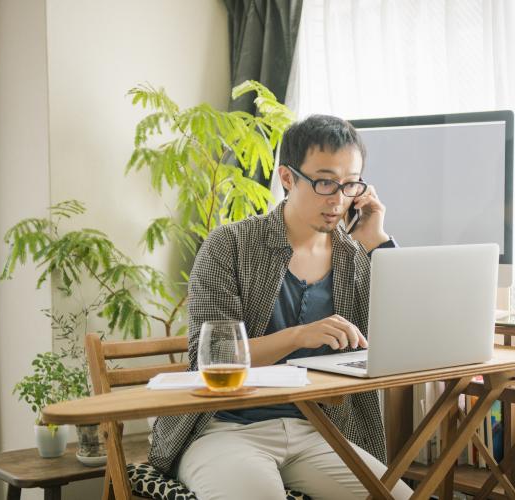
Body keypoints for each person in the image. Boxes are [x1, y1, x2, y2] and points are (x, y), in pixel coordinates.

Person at [148, 114, 411, 499]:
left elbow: (402, 337)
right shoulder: (230, 245)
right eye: (324, 182)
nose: (338, 198)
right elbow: (211, 359)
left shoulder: (356, 256)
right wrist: (299, 336)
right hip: (225, 429)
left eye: (350, 184)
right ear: (287, 178)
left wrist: (378, 242)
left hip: (319, 430)